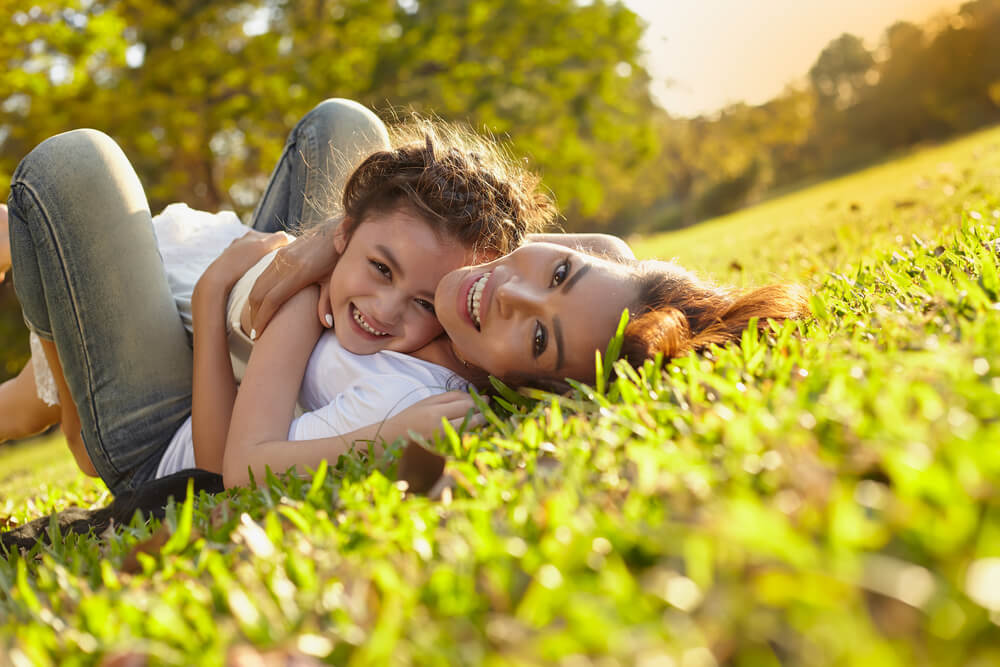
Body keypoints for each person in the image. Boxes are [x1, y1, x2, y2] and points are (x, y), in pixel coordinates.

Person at [2, 99, 556, 493]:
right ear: (344, 235)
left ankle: (65, 401)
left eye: (424, 303)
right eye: (381, 268)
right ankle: (41, 347)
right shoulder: (363, 280)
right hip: (229, 331)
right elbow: (599, 257)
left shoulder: (422, 382)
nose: (386, 311)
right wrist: (325, 243)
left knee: (70, 163)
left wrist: (213, 289)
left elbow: (223, 470)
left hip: (170, 431)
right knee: (344, 121)